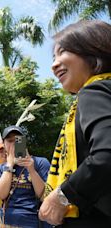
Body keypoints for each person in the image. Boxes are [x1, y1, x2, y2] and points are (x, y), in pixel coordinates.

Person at [39, 20, 111, 227]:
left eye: (63, 52)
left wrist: (62, 196)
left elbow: (106, 154)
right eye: (54, 57)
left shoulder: (94, 92)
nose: (54, 65)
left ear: (93, 50)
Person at [0, 125, 50, 228]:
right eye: (10, 141)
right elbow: (1, 194)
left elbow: (44, 196)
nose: (14, 144)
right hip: (4, 221)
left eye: (17, 140)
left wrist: (31, 170)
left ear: (24, 142)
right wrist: (9, 165)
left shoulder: (40, 162)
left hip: (32, 221)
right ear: (4, 145)